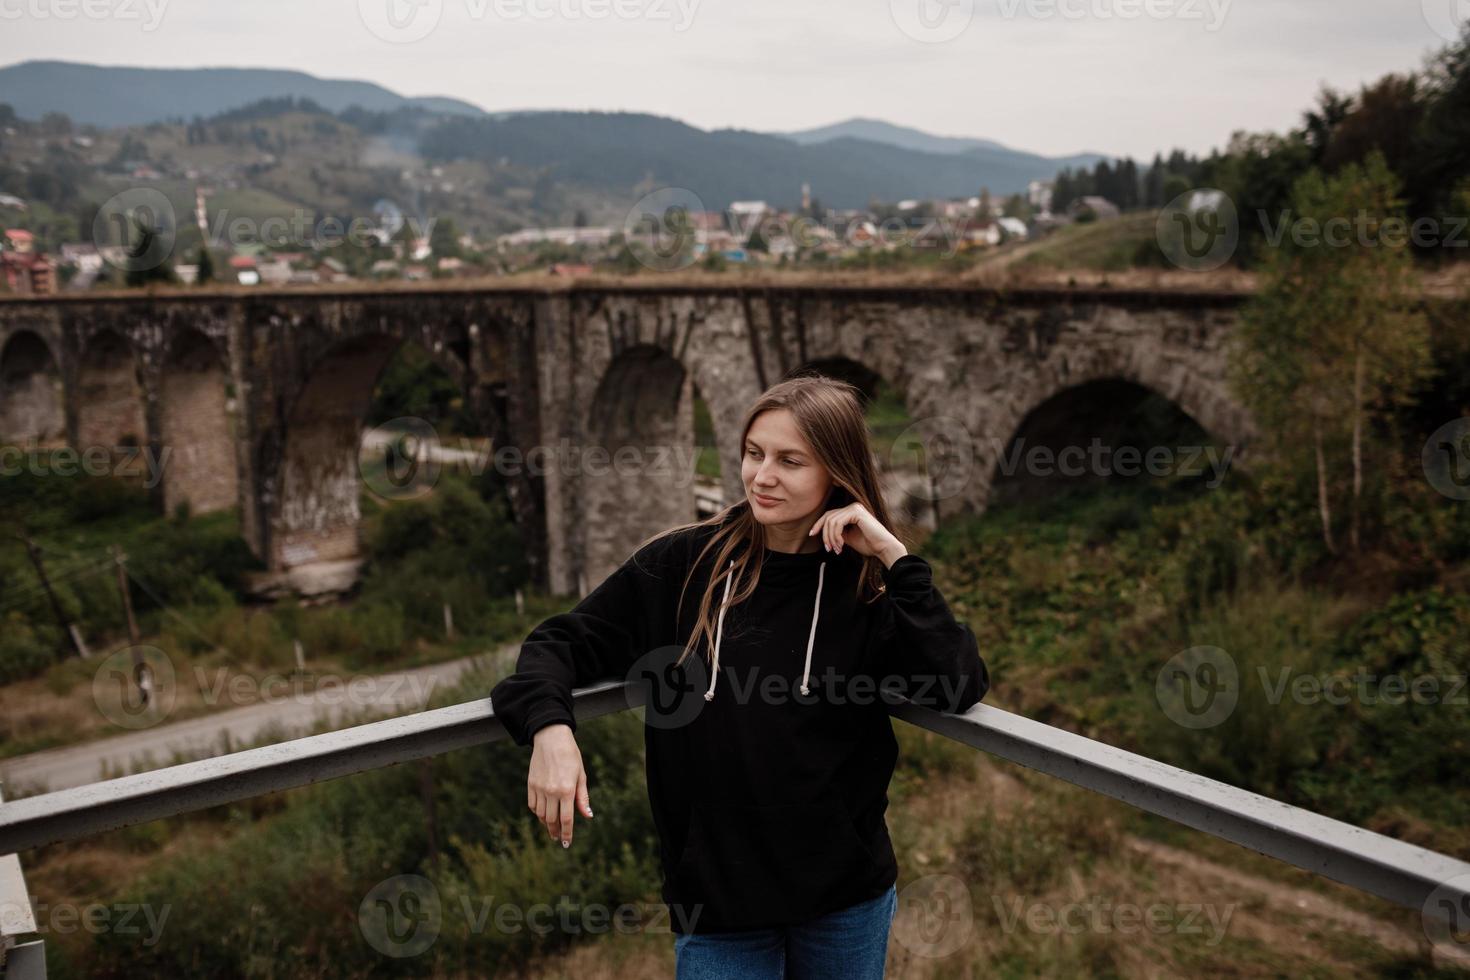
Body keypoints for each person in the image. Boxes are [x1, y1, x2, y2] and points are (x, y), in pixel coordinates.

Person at [490, 374, 991, 978]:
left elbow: (957, 683)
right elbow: (558, 642)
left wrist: (894, 557)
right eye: (754, 454)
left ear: (837, 472)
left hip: (846, 903)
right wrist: (550, 731)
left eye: (790, 461)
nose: (763, 476)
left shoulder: (863, 588)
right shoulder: (681, 565)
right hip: (720, 908)